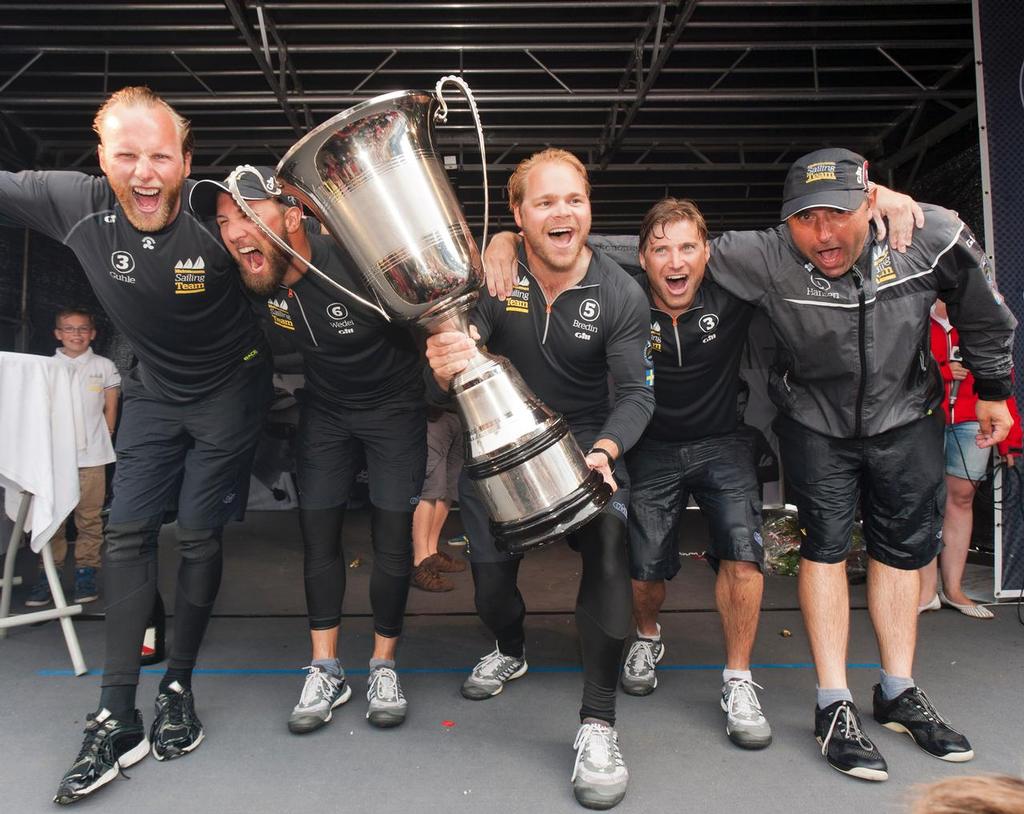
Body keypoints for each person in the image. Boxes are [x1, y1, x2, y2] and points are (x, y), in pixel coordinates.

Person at [484, 148, 1015, 782]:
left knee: (838, 551)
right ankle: (758, 676)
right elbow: (576, 238)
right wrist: (508, 240)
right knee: (711, 555)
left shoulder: (901, 236)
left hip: (835, 426)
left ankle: (869, 687)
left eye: (839, 214)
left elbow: (978, 300)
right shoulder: (733, 262)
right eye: (805, 218)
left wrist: (992, 384)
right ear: (785, 222)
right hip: (730, 434)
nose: (823, 233)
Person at [0, 87, 273, 805]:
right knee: (124, 533)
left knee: (197, 537)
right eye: (128, 155)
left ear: (186, 162)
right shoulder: (74, 202)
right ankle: (116, 712)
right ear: (102, 159)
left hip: (229, 390)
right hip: (152, 387)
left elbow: (308, 249)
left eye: (160, 156)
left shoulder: (221, 214)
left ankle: (177, 685)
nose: (144, 172)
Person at [424, 148, 654, 810]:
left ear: (589, 209)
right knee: (493, 585)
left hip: (584, 445)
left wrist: (607, 450)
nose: (564, 213)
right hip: (497, 446)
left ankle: (598, 725)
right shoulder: (493, 279)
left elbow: (637, 394)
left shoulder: (619, 291)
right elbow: (438, 380)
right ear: (519, 215)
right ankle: (510, 646)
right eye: (546, 202)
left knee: (610, 547)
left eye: (574, 200)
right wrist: (442, 364)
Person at [190, 166, 426, 733]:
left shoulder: (355, 261)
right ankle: (326, 668)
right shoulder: (254, 281)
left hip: (394, 410)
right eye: (226, 222)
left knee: (392, 540)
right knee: (317, 538)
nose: (236, 232)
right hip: (326, 412)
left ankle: (384, 666)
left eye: (249, 215)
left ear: (292, 216)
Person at [919, 299, 1021, 618]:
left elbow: (1004, 381)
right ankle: (924, 592)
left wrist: (1010, 442)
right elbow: (896, 370)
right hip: (923, 417)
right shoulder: (915, 313)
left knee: (960, 500)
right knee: (921, 500)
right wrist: (944, 372)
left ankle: (954, 589)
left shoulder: (983, 316)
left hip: (972, 421)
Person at [24, 307, 120, 607]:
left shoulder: (103, 366)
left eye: (82, 329)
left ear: (92, 333)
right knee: (53, 519)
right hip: (53, 460)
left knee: (89, 519)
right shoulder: (46, 367)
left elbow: (110, 404)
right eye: (69, 329)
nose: (76, 334)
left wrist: (107, 432)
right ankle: (47, 575)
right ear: (57, 333)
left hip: (92, 458)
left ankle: (85, 573)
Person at [410, 405, 467, 592]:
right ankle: (420, 561)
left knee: (449, 484)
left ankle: (431, 551)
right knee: (430, 485)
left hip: (459, 408)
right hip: (432, 410)